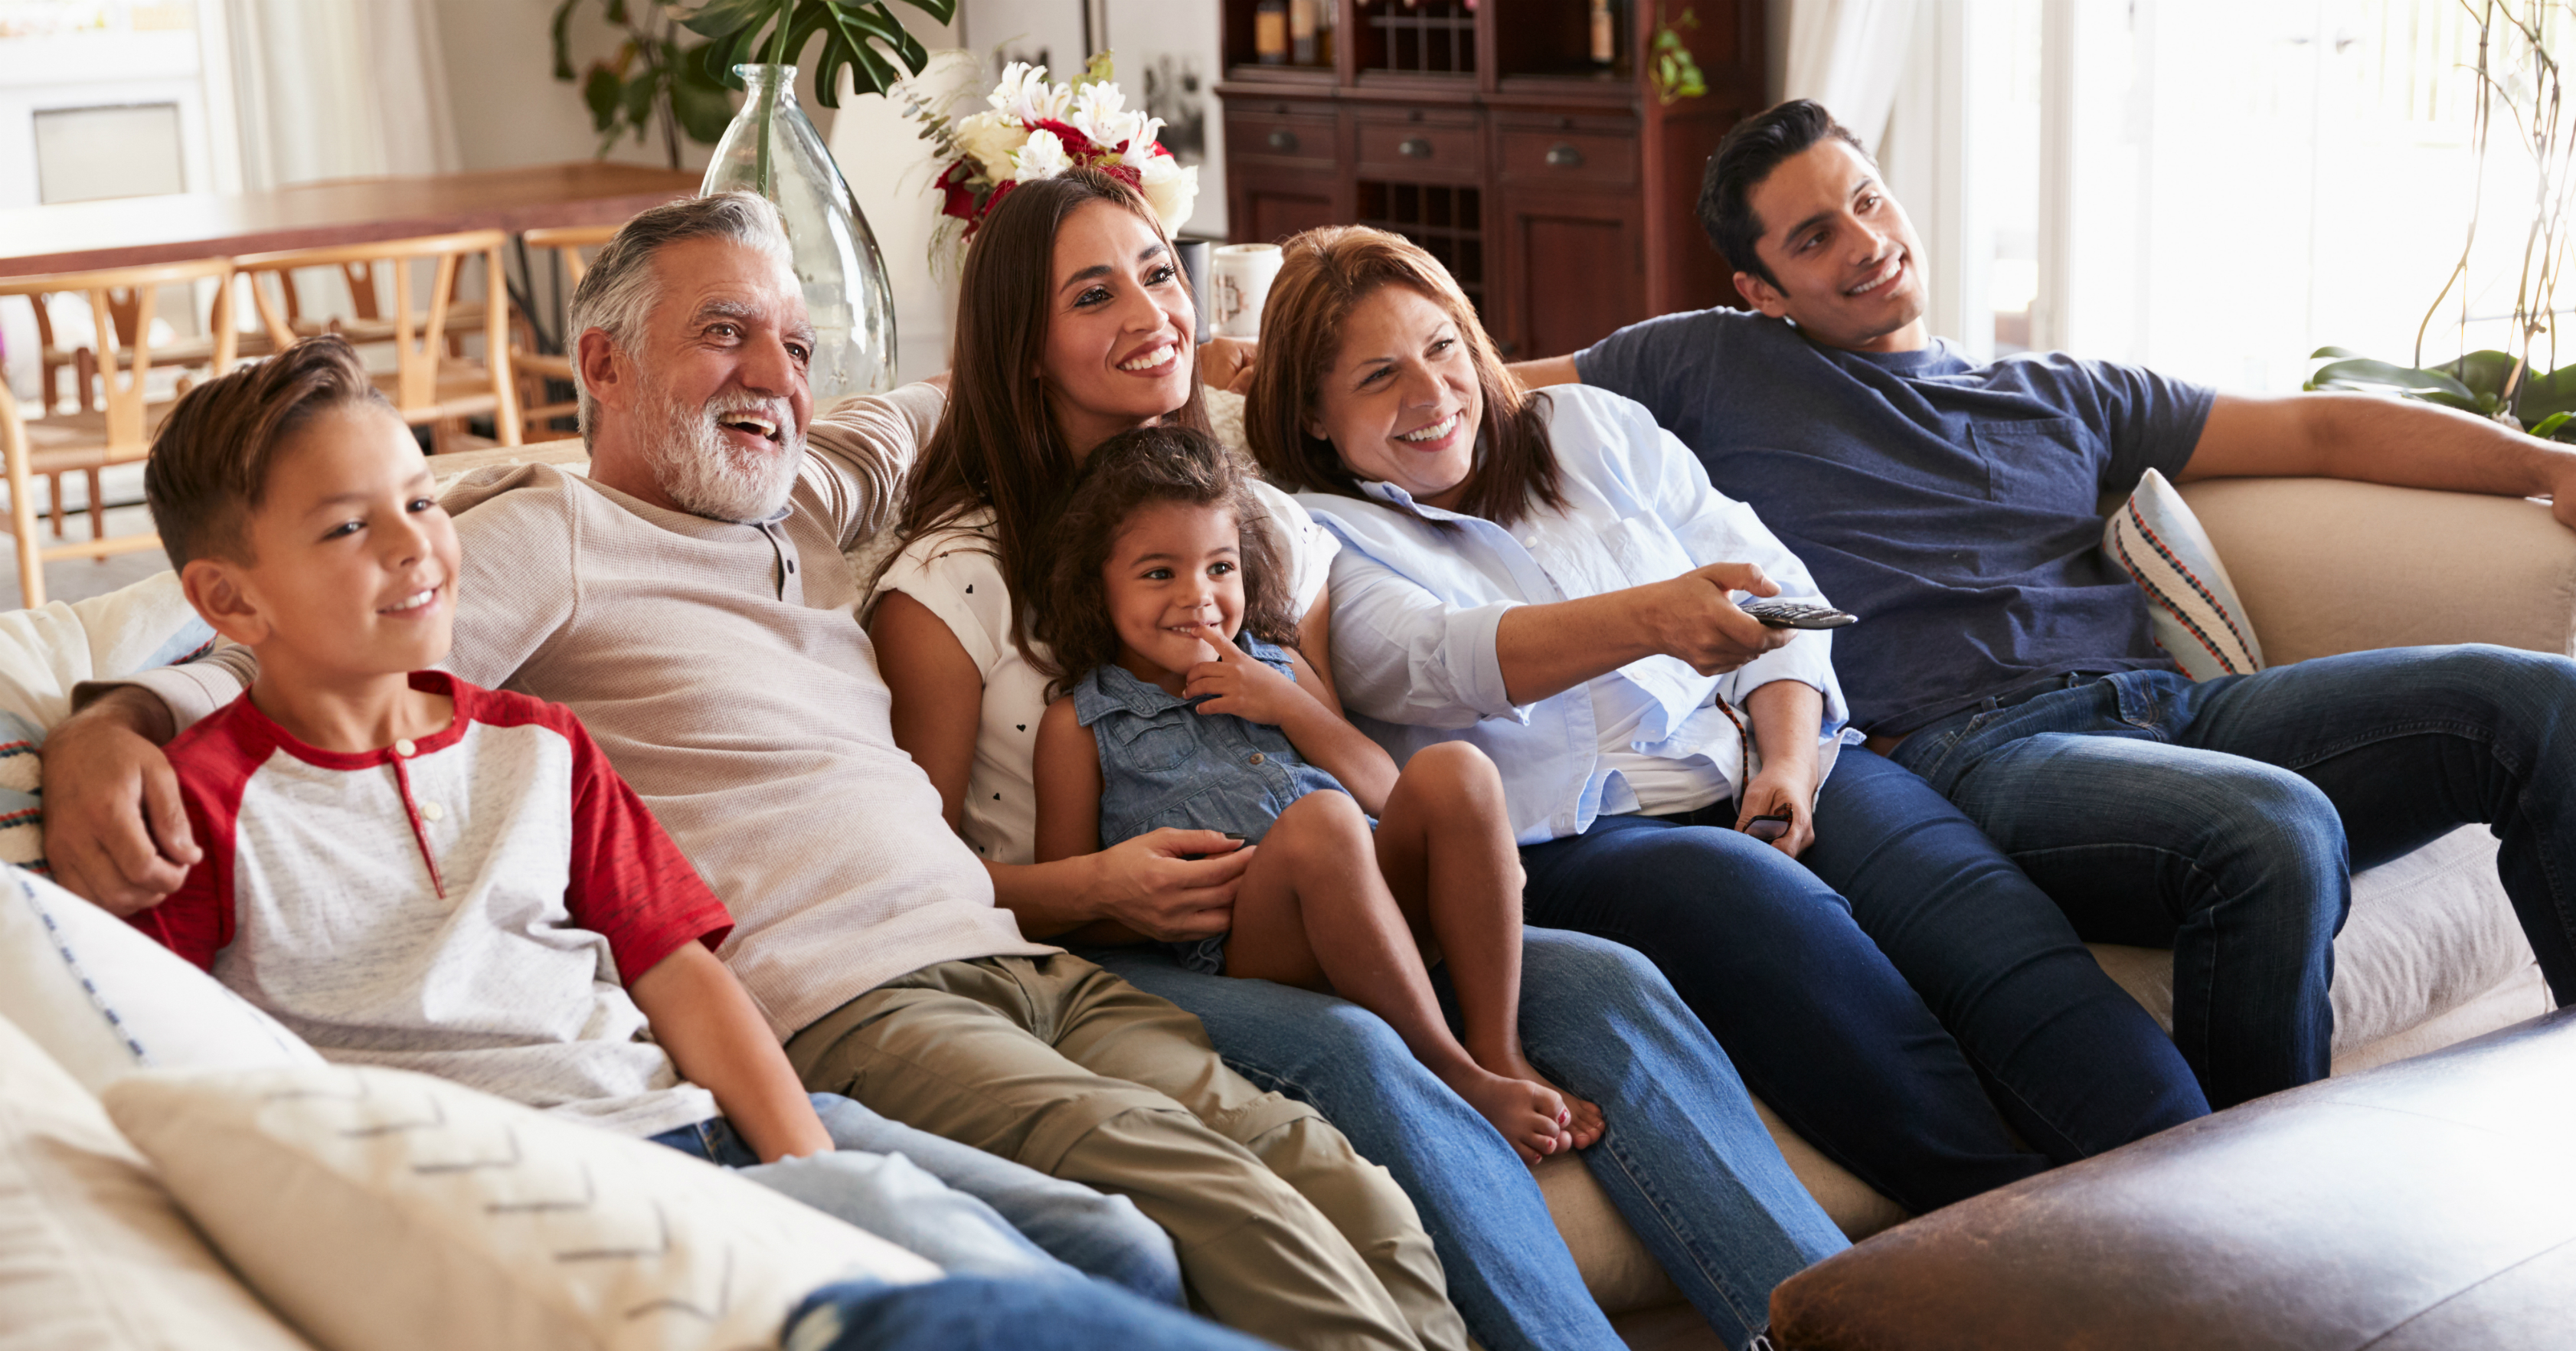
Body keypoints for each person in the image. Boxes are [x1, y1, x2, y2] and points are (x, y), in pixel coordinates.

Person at [38, 192, 1465, 1351]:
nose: (774, 377)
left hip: (1008, 950)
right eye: (723, 334)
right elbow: (323, 646)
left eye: (792, 343)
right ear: (600, 365)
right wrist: (118, 719)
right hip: (842, 998)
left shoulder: (808, 491)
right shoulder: (548, 530)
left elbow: (951, 386)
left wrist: (1220, 365)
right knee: (1198, 1188)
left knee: (1332, 1166)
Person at [869, 168, 1845, 1351]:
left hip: (1346, 893)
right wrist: (1092, 888)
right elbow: (911, 890)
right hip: (1137, 953)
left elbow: (1329, 757)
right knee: (1354, 1051)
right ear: (1021, 346)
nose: (1150, 313)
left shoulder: (1265, 524)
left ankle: (1851, 1330)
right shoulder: (950, 583)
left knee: (1616, 987)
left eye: (1161, 273)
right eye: (1093, 294)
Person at [1516, 98, 2576, 1107]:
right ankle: (2254, 1235)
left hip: (2174, 715)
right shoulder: (1708, 362)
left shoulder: (2063, 391)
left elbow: (2319, 433)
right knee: (2273, 828)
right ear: (1762, 289)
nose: (1865, 242)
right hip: (1972, 755)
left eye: (1870, 201)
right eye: (1814, 237)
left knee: (2543, 703)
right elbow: (1473, 392)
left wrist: (2546, 465)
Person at [1244, 224, 2209, 1214]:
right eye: (1378, 377)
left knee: (1983, 918)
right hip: (1580, 842)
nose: (1430, 392)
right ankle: (2016, 1234)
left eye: (1442, 346)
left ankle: (2200, 1193)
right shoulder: (1318, 535)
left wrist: (1787, 761)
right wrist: (1650, 617)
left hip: (1759, 760)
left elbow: (1778, 591)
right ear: (1313, 414)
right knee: (1764, 909)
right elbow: (1436, 660)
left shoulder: (1588, 429)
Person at [120, 332, 1103, 1288]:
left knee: (1111, 1245)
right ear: (230, 600)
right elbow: (162, 1064)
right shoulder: (197, 806)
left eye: (420, 500)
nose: (414, 545)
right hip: (558, 1198)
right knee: (984, 1306)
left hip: (701, 1117)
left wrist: (809, 1175)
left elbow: (681, 978)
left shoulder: (540, 742)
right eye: (347, 526)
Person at [1028, 424, 1599, 1161]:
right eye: (1158, 574)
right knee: (1323, 819)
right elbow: (1070, 905)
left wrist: (1289, 703)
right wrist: (1146, 900)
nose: (1198, 597)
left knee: (1456, 769)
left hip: (1375, 903)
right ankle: (1450, 1070)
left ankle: (1498, 1049)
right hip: (1252, 947)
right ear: (1094, 584)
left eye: (1219, 567)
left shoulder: (1282, 671)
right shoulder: (1079, 725)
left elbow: (1389, 795)